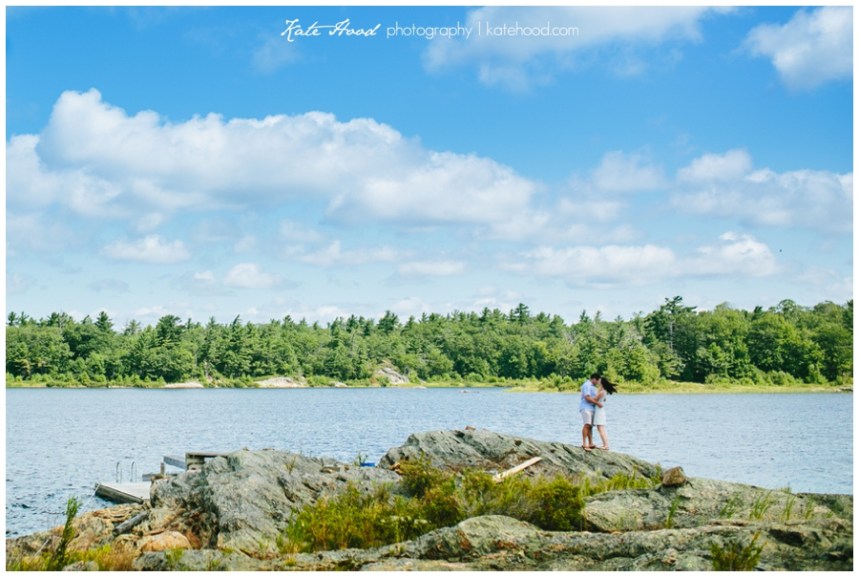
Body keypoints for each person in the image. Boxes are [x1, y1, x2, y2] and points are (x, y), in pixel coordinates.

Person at [593, 377, 618, 450]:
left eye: (599, 381)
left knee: (600, 428)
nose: (598, 382)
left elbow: (594, 399)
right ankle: (605, 444)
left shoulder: (602, 392)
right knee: (600, 428)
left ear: (602, 383)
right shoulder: (602, 391)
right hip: (599, 410)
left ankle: (606, 445)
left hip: (599, 411)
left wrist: (587, 397)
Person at [579, 373, 601, 451]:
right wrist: (597, 403)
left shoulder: (592, 387)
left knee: (590, 426)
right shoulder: (587, 385)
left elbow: (594, 397)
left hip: (591, 408)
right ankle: (584, 443)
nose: (598, 383)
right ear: (594, 379)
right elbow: (587, 397)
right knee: (587, 425)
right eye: (597, 381)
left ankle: (591, 443)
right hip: (586, 408)